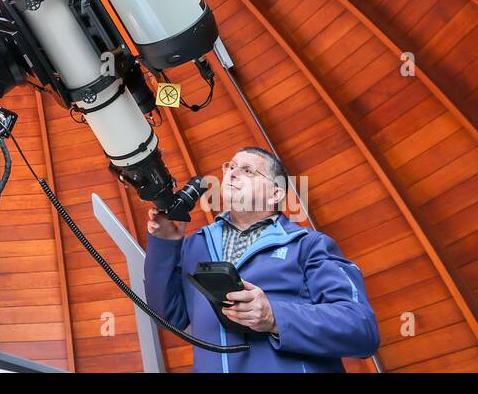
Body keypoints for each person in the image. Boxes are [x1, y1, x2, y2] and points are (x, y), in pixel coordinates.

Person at [144, 147, 380, 372]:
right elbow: (166, 317)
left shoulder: (307, 244)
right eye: (230, 167)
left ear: (275, 193)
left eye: (247, 170)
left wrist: (274, 317)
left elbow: (361, 328)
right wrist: (164, 244)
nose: (231, 173)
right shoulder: (195, 244)